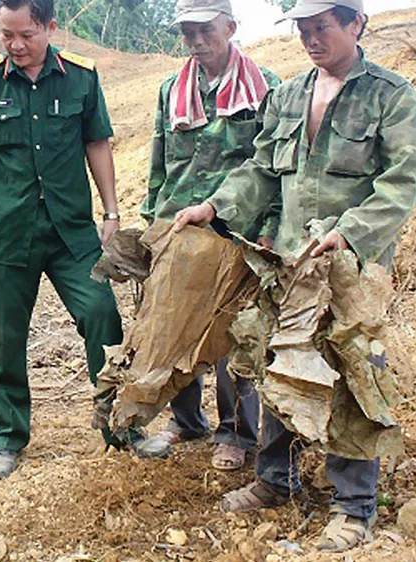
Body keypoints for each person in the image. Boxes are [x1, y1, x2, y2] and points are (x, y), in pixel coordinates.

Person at [173, 0, 416, 551]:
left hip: (350, 269)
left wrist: (350, 232)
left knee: (354, 378)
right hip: (289, 261)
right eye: (303, 30)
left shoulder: (390, 95)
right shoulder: (288, 95)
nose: (311, 40)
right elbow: (261, 170)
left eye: (321, 28)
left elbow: (403, 181)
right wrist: (214, 207)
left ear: (356, 24)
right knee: (278, 365)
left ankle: (353, 505)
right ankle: (275, 480)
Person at [0, 0, 131, 480]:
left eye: (26, 34)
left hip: (71, 231)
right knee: (6, 337)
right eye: (6, 35)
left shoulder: (81, 77)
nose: (16, 45)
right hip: (6, 230)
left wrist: (110, 212)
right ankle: (7, 433)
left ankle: (119, 423)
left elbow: (97, 143)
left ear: (50, 26)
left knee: (101, 314)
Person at [133, 0, 281, 470]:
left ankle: (236, 432)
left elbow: (274, 166)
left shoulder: (265, 87)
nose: (196, 42)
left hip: (237, 230)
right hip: (179, 223)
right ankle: (186, 419)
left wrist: (271, 228)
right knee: (174, 324)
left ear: (230, 27)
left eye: (206, 31)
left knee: (232, 335)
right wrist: (152, 222)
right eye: (188, 33)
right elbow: (160, 159)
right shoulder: (171, 89)